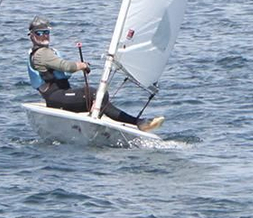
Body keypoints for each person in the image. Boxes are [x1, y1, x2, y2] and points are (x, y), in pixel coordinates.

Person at [27, 17, 163, 132]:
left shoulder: (48, 52)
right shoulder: (41, 54)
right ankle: (137, 123)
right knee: (94, 94)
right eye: (39, 33)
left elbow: (63, 70)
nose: (44, 35)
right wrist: (82, 65)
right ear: (32, 36)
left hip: (61, 95)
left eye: (46, 32)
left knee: (100, 97)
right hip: (56, 97)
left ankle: (137, 122)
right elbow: (66, 67)